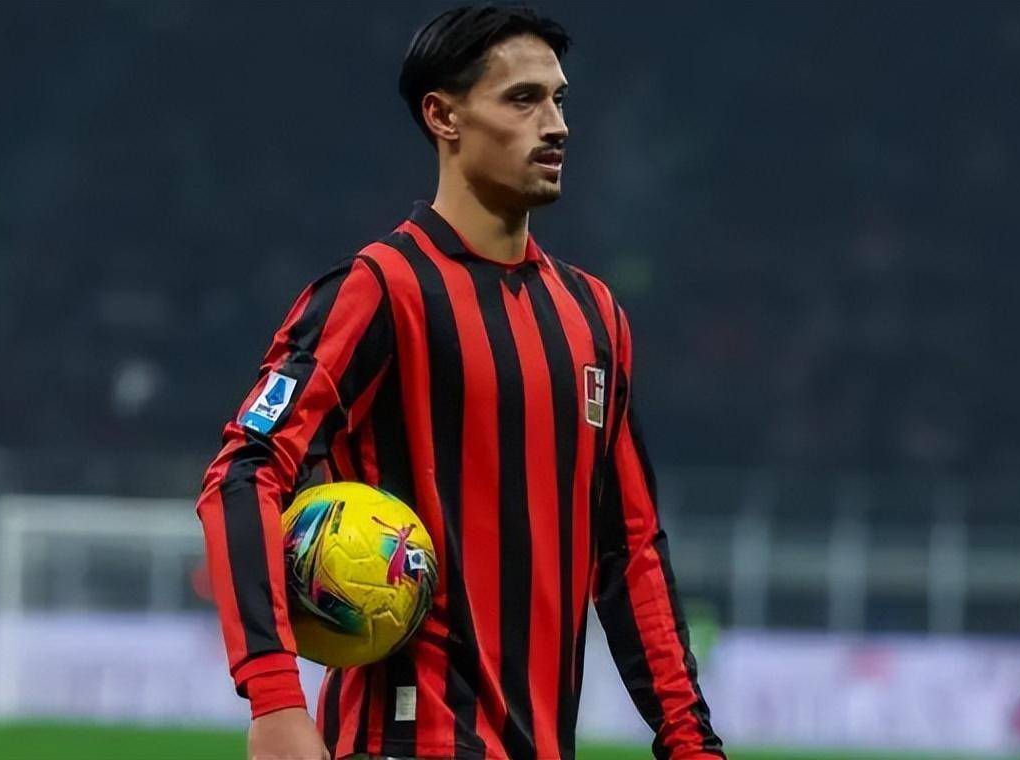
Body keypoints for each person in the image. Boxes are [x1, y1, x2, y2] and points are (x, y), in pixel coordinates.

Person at [195, 4, 725, 759]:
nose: (556, 125)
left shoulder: (595, 317)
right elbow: (244, 472)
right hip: (404, 739)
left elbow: (629, 548)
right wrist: (274, 697)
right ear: (443, 116)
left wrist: (689, 739)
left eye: (559, 99)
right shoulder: (381, 290)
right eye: (523, 100)